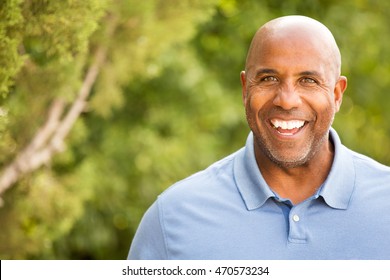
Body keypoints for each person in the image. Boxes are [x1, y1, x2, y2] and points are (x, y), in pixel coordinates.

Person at [127, 15, 390, 259]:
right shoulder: (174, 218)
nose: (286, 101)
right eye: (268, 78)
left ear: (336, 94)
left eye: (308, 80)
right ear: (245, 89)